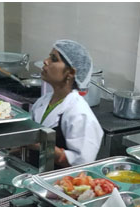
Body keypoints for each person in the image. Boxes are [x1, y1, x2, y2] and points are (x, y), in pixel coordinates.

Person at [30, 40, 104, 168]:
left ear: (70, 73)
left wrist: (41, 146)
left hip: (59, 183)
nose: (45, 61)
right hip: (35, 173)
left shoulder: (79, 113)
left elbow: (83, 162)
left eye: (54, 59)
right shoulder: (43, 101)